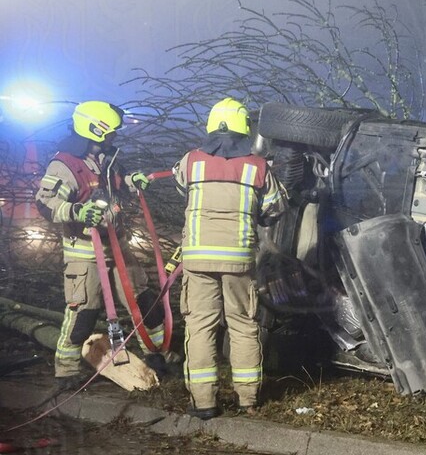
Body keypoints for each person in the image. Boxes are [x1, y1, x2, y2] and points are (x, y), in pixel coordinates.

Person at [35, 100, 168, 389]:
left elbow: (117, 188)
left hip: (117, 246)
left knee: (143, 301)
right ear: (96, 130)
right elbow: (45, 203)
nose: (115, 137)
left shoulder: (107, 159)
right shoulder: (65, 164)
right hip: (84, 252)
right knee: (84, 312)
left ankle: (157, 354)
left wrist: (135, 181)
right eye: (111, 132)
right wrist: (77, 212)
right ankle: (67, 371)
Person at [173, 98, 286, 419]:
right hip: (239, 260)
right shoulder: (257, 166)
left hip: (197, 259)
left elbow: (183, 189)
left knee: (200, 326)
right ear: (243, 128)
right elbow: (275, 207)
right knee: (243, 325)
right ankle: (247, 399)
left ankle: (204, 403)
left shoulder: (191, 161)